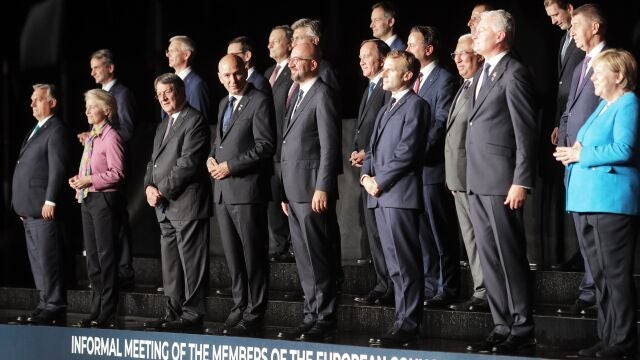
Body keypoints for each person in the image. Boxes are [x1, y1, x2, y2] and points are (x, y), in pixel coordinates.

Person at [554, 49, 639, 359]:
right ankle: (607, 338)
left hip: (611, 203)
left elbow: (625, 148)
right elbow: (585, 142)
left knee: (615, 276)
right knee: (601, 276)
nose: (591, 78)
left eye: (598, 72)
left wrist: (580, 155)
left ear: (618, 75)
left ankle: (623, 341)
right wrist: (572, 150)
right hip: (587, 200)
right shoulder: (604, 106)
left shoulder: (628, 102)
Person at [465, 10, 537, 354]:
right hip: (477, 181)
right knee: (489, 256)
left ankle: (522, 325)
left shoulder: (514, 73)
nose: (474, 33)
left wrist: (521, 180)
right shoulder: (482, 72)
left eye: (481, 30)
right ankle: (501, 323)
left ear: (499, 36)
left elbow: (526, 134)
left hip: (502, 181)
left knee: (508, 255)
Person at [362, 50, 427, 347]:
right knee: (394, 265)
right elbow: (372, 149)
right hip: (379, 196)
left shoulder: (417, 106)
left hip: (398, 196)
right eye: (384, 68)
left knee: (406, 263)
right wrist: (365, 177)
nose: (384, 74)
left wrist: (380, 182)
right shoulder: (386, 106)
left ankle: (410, 324)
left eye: (390, 69)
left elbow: (407, 153)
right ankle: (401, 320)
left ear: (407, 75)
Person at [276, 42, 341, 342]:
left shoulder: (322, 93)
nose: (290, 64)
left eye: (297, 60)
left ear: (313, 64)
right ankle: (310, 313)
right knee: (303, 258)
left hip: (312, 191)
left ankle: (325, 316)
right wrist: (285, 192)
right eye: (290, 60)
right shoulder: (297, 95)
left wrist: (322, 187)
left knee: (317, 256)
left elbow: (329, 148)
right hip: (294, 191)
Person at [207, 54, 275, 336]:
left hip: (247, 191)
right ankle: (239, 305)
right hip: (223, 192)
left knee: (253, 255)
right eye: (225, 76)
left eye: (236, 74)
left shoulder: (259, 100)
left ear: (245, 71)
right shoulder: (224, 103)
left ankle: (255, 311)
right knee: (234, 256)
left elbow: (265, 145)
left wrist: (230, 166)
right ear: (219, 77)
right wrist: (211, 158)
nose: (232, 80)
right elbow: (219, 143)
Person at [143, 73, 211, 331]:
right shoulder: (163, 124)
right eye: (159, 94)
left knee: (191, 263)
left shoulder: (195, 120)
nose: (163, 98)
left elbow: (188, 163)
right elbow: (153, 162)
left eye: (167, 92)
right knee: (171, 264)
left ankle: (192, 315)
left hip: (186, 204)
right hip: (164, 207)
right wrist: (148, 186)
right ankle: (173, 313)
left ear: (181, 91)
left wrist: (161, 190)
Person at [556, 3, 609, 316]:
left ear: (595, 27)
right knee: (582, 232)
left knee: (596, 237)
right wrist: (564, 143)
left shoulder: (610, 62)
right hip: (572, 161)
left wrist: (582, 150)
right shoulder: (580, 66)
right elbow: (569, 110)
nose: (571, 31)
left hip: (594, 163)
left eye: (577, 25)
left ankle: (596, 293)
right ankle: (590, 290)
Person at [406, 25, 459, 308]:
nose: (407, 49)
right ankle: (429, 285)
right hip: (414, 171)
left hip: (432, 168)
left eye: (412, 44)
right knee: (423, 234)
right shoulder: (411, 79)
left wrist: (415, 152)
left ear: (428, 49)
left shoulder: (444, 80)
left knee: (441, 233)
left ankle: (447, 287)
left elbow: (440, 123)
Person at [79, 49, 137, 289]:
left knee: (118, 221)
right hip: (97, 178)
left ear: (110, 68)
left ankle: (123, 272)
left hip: (113, 170)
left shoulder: (122, 95)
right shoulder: (98, 97)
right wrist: (92, 135)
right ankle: (110, 276)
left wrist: (103, 137)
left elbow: (128, 130)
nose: (92, 72)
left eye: (96, 67)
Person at [12, 83, 69, 326]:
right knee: (37, 259)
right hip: (28, 209)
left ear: (52, 102)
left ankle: (54, 304)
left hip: (43, 207)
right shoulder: (37, 129)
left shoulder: (55, 129)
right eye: (32, 99)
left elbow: (57, 168)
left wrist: (50, 199)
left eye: (38, 99)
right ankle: (44, 302)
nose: (32, 103)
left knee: (47, 258)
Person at [69, 89, 124, 328]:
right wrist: (79, 180)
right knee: (92, 258)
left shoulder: (111, 136)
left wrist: (89, 180)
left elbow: (117, 173)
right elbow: (90, 168)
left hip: (104, 201)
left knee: (105, 256)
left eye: (92, 107)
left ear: (106, 110)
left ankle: (108, 310)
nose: (87, 111)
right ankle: (96, 307)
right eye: (87, 107)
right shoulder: (92, 136)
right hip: (88, 199)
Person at [444, 34, 489, 313]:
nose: (458, 59)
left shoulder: (482, 86)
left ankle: (487, 292)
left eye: (464, 53)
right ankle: (480, 289)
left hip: (476, 176)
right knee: (470, 238)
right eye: (455, 54)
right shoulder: (464, 86)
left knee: (481, 237)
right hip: (458, 176)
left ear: (479, 56)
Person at [542, 0, 585, 274]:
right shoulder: (563, 39)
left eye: (556, 14)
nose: (553, 20)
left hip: (582, 122)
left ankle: (585, 256)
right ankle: (579, 254)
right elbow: (562, 85)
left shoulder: (581, 40)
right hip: (566, 120)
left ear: (570, 8)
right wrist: (559, 120)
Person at [351, 39, 393, 306]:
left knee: (385, 234)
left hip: (382, 171)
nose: (362, 61)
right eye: (360, 57)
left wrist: (367, 153)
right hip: (367, 169)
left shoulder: (388, 87)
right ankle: (382, 283)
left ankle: (390, 286)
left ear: (382, 60)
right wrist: (358, 151)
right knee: (374, 234)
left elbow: (386, 129)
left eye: (367, 56)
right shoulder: (369, 87)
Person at [264, 25, 294, 262]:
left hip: (288, 147)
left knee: (290, 200)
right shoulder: (267, 74)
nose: (270, 45)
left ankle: (293, 246)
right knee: (274, 200)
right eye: (269, 41)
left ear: (290, 43)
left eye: (275, 41)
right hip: (269, 148)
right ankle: (278, 246)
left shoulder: (293, 72)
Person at [165, 35, 212, 123]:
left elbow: (199, 123)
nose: (168, 55)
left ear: (186, 55)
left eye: (172, 51)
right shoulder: (169, 83)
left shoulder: (197, 84)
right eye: (168, 51)